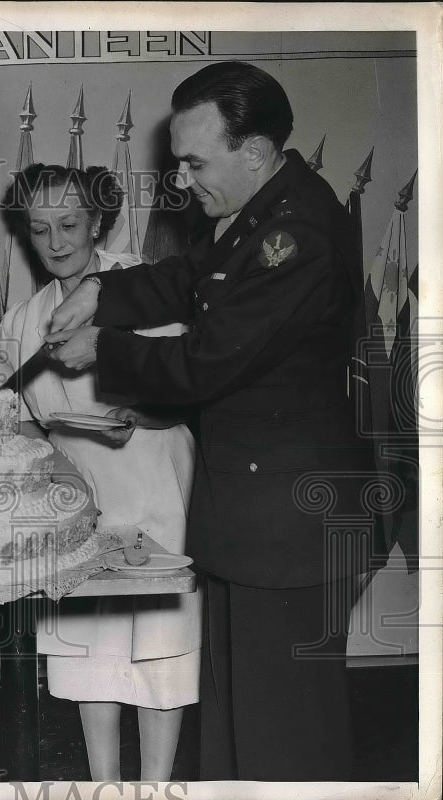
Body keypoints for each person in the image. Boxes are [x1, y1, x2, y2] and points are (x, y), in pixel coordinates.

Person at [45, 62, 372, 780]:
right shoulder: (257, 216)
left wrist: (101, 345)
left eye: (196, 161)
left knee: (286, 748)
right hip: (249, 523)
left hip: (287, 529)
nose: (183, 179)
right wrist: (100, 289)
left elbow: (206, 363)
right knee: (235, 738)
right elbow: (187, 277)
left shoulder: (298, 236)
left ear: (253, 150)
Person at [0, 164, 201, 781]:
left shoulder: (143, 288)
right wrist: (58, 464)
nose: (56, 242)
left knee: (157, 646)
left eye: (70, 224)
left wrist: (138, 413)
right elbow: (22, 421)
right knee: (93, 650)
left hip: (152, 477)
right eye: (40, 229)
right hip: (72, 494)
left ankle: (157, 787)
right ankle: (104, 787)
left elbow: (190, 385)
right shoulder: (22, 321)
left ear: (98, 223)